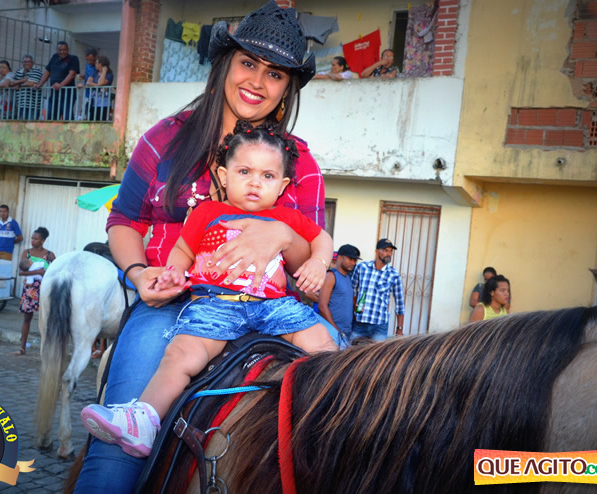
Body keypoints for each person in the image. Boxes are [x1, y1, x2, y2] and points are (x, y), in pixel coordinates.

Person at [74, 1, 322, 491]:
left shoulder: (298, 161)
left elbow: (313, 258)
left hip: (273, 309)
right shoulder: (163, 139)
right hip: (172, 306)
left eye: (275, 74)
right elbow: (124, 220)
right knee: (115, 454)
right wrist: (139, 273)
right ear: (225, 63)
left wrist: (283, 235)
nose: (257, 81)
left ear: (287, 87)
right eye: (248, 63)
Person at [81, 121, 337, 457]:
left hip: (274, 305)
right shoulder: (207, 212)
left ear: (283, 185)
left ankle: (342, 406)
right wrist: (173, 272)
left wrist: (318, 262)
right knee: (181, 355)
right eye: (244, 171)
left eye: (268, 176)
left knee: (324, 345)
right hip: (216, 304)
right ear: (224, 175)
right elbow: (183, 250)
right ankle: (143, 418)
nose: (255, 183)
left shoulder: (287, 217)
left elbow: (321, 238)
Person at [351, 238, 405, 340]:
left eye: (390, 251)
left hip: (379, 326)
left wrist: (399, 328)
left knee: (378, 351)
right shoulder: (362, 268)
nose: (389, 254)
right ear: (376, 252)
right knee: (353, 349)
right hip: (360, 322)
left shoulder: (393, 274)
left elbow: (399, 303)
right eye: (385, 250)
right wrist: (355, 307)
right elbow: (352, 289)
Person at [15, 227, 55, 355]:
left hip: (45, 289)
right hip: (30, 290)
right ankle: (22, 348)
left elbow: (56, 271)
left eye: (36, 239)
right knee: (27, 318)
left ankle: (48, 349)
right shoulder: (26, 253)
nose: (33, 241)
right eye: (32, 238)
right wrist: (38, 272)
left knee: (47, 319)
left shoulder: (50, 255)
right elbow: (21, 272)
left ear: (43, 240)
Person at [319, 244, 360, 339]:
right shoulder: (331, 276)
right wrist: (336, 331)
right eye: (350, 259)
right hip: (333, 332)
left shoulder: (348, 278)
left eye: (355, 260)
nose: (353, 263)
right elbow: (322, 306)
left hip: (346, 331)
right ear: (340, 258)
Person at [36, 41, 79, 120]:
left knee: (67, 116)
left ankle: (69, 128)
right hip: (54, 93)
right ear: (57, 50)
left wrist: (60, 85)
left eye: (64, 50)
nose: (62, 52)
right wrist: (40, 83)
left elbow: (72, 74)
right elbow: (47, 71)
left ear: (68, 50)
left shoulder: (73, 58)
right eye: (60, 50)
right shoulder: (54, 57)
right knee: (50, 116)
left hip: (67, 94)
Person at [11, 54, 43, 120]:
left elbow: (30, 83)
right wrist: (22, 80)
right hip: (21, 103)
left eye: (29, 62)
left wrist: (18, 84)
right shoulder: (19, 71)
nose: (26, 63)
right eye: (25, 62)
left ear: (33, 63)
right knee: (23, 124)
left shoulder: (37, 70)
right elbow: (12, 83)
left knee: (31, 124)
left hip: (33, 105)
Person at [86, 55, 114, 121]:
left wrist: (104, 72)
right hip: (93, 102)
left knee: (102, 120)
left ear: (101, 64)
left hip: (104, 103)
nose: (95, 64)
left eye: (96, 63)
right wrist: (98, 86)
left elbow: (101, 83)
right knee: (91, 120)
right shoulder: (94, 72)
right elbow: (88, 83)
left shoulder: (109, 74)